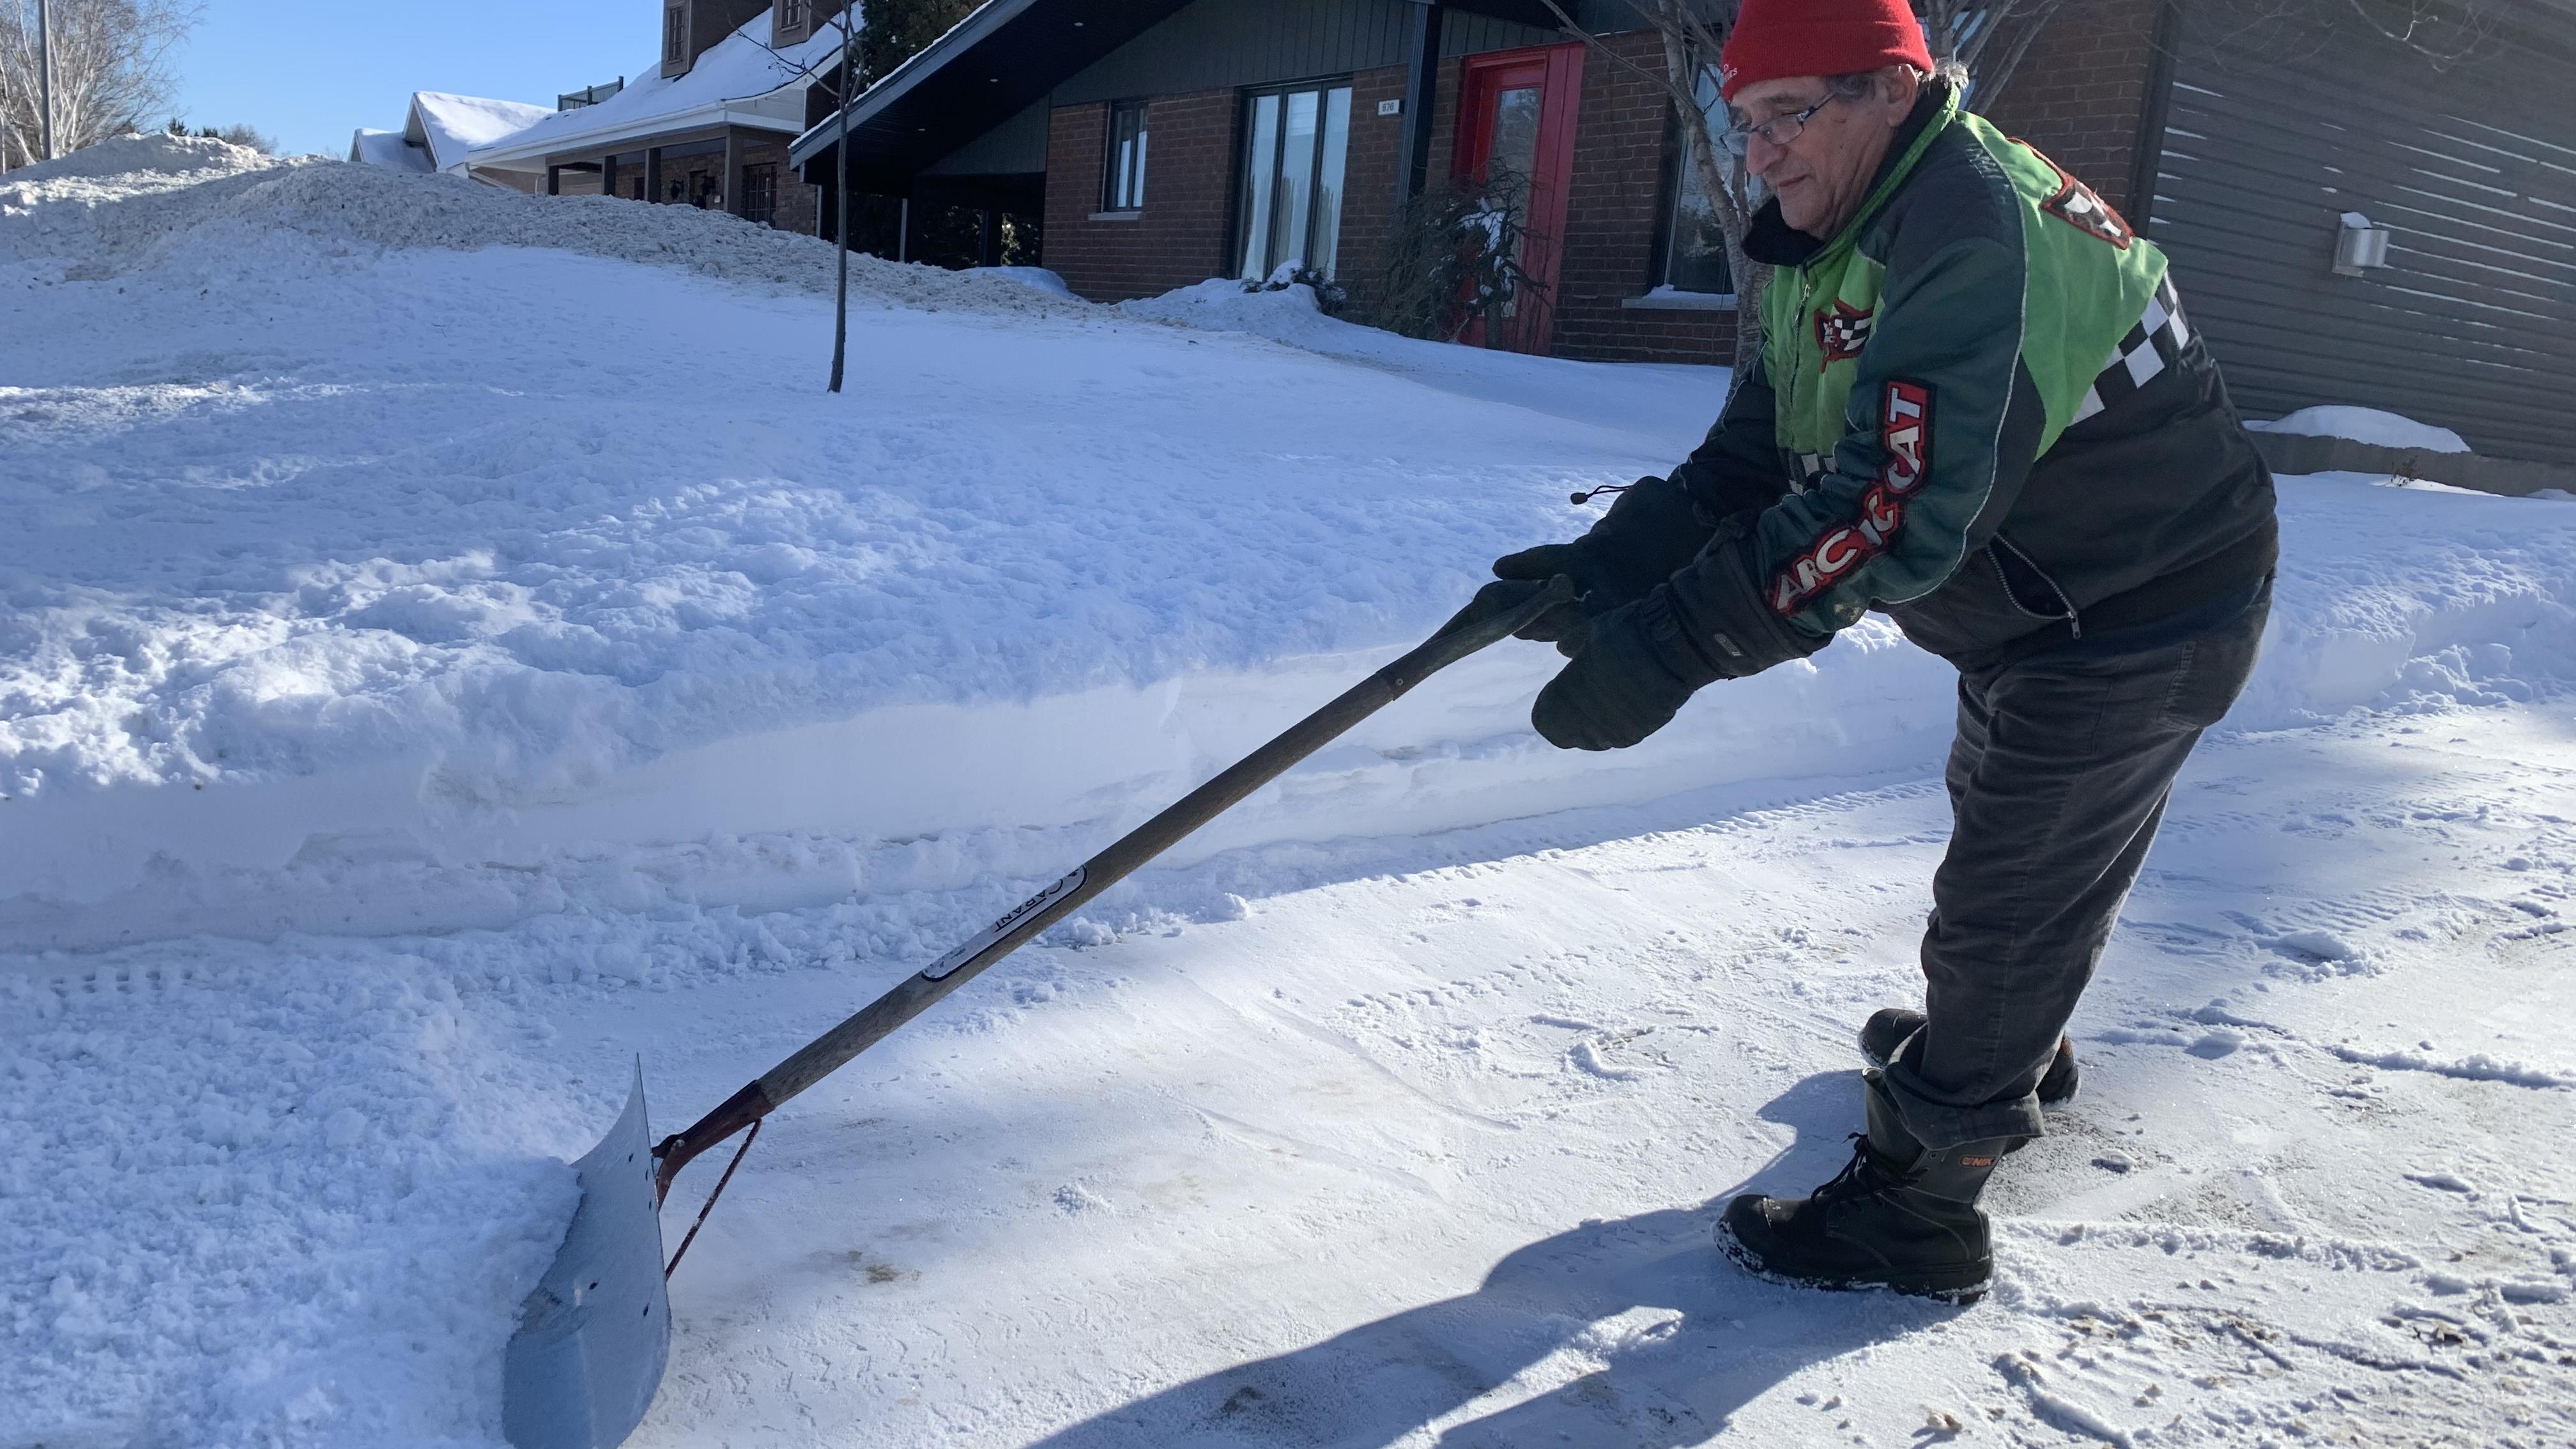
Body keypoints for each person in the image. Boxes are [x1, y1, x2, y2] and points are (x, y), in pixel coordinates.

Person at [1476, 0, 2278, 1301]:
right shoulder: (1841, 223)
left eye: (1791, 115)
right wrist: (1614, 564)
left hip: (2140, 604)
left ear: (1894, 91)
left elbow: (1885, 512)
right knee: (2011, 844)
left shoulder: (1967, 229)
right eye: (1746, 124)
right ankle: (2007, 1048)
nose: (1762, 155)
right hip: (2043, 600)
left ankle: (1923, 1212)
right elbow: (1766, 446)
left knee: (2007, 900)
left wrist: (1674, 646)